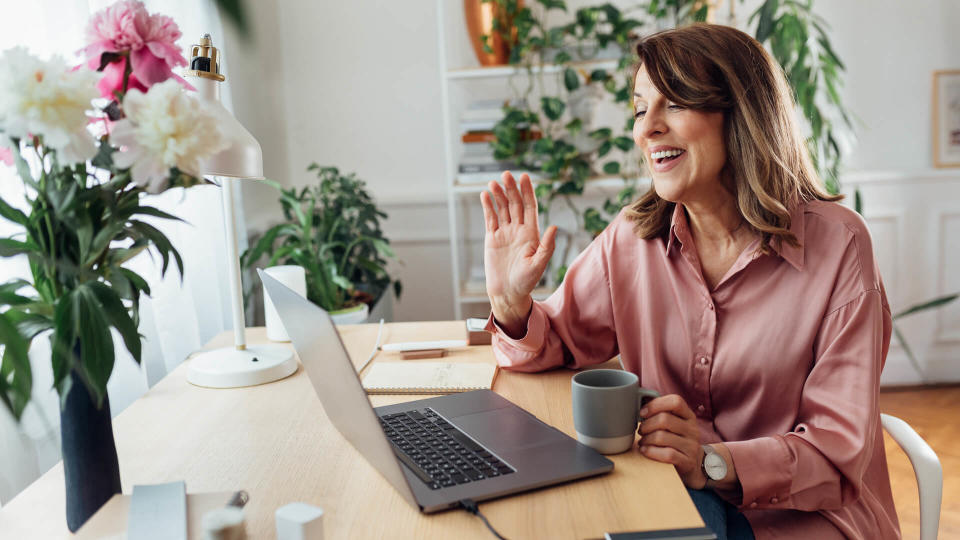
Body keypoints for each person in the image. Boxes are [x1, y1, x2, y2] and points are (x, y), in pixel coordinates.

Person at [479, 24, 900, 540]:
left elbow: (839, 449)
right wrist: (511, 302)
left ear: (741, 115)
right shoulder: (632, 239)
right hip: (675, 499)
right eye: (639, 109)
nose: (646, 129)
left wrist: (710, 462)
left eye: (673, 103)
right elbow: (559, 340)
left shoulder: (840, 247)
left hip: (802, 522)